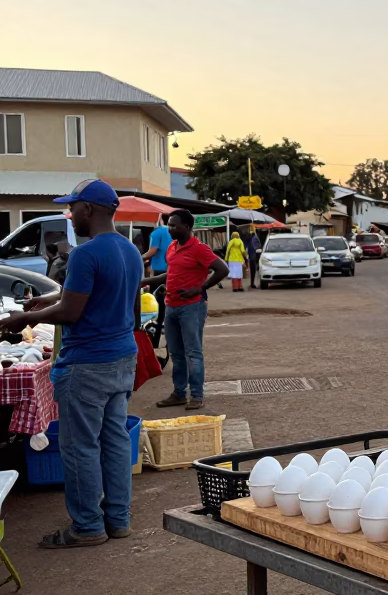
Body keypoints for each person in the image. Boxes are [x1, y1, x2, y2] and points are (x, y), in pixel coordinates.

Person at [2, 180, 143, 548]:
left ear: (89, 210)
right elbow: (91, 294)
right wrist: (44, 300)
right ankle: (118, 520)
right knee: (113, 441)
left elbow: (71, 310)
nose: (70, 215)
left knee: (80, 447)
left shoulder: (85, 253)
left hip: (88, 364)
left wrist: (25, 319)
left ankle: (87, 527)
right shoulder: (128, 250)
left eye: (73, 207)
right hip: (122, 358)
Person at [143, 209, 228, 411]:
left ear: (187, 227)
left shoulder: (199, 249)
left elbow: (222, 269)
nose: (170, 229)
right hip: (171, 305)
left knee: (193, 353)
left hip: (192, 307)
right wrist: (144, 281)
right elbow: (169, 275)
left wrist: (200, 288)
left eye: (174, 225)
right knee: (176, 353)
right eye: (169, 225)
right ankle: (179, 393)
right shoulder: (172, 247)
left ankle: (196, 396)